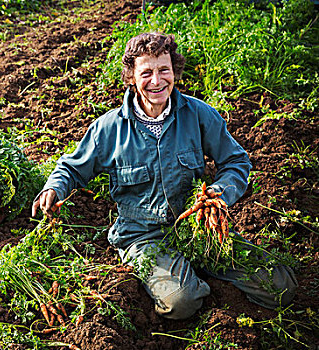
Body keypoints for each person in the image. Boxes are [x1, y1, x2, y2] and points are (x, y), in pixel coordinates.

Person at [31, 33, 297, 320]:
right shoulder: (110, 128)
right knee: (181, 302)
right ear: (131, 77)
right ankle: (186, 283)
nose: (156, 81)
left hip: (200, 228)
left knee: (280, 286)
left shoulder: (198, 115)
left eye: (163, 70)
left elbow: (236, 161)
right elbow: (72, 167)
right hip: (144, 236)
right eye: (146, 73)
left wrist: (221, 192)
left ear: (175, 72)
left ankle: (198, 270)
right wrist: (54, 189)